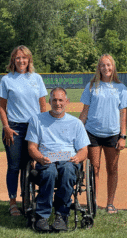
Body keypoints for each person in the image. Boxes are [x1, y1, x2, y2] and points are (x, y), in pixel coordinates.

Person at [25, 87, 90, 231]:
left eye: (61, 100)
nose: (57, 103)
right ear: (49, 101)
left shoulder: (76, 123)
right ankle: (42, 216)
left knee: (67, 170)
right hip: (46, 159)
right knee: (49, 173)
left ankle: (61, 215)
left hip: (68, 160)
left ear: (67, 101)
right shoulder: (37, 120)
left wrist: (77, 158)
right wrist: (40, 158)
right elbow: (32, 147)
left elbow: (84, 150)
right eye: (54, 100)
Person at [0, 45, 47, 216]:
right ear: (13, 60)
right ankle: (12, 203)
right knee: (14, 166)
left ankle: (27, 199)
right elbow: (2, 107)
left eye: (24, 57)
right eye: (18, 58)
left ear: (29, 59)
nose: (21, 61)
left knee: (30, 165)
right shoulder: (7, 80)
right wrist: (6, 127)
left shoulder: (37, 78)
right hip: (14, 129)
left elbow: (42, 106)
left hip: (33, 128)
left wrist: (43, 129)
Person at [79, 54, 127, 214]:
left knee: (112, 169)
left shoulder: (121, 88)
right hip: (92, 133)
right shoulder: (91, 86)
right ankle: (92, 201)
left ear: (113, 67)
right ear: (99, 68)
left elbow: (123, 115)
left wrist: (123, 136)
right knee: (94, 169)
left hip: (112, 135)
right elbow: (85, 112)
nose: (106, 68)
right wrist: (76, 130)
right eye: (103, 65)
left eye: (109, 65)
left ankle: (110, 203)